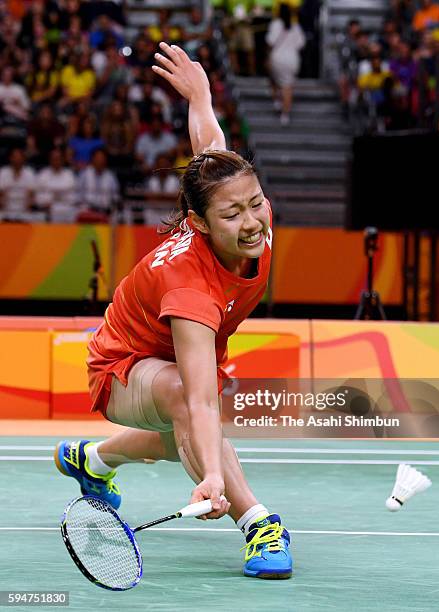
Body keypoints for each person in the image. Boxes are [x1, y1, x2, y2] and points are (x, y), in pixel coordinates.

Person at [54, 41, 292, 580]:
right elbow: (202, 399)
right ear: (202, 224)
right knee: (187, 405)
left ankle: (90, 461)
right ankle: (259, 522)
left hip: (161, 367)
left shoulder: (244, 210)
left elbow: (212, 148)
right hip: (120, 367)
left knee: (173, 434)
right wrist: (212, 477)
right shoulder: (190, 288)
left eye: (255, 202)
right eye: (233, 213)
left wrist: (202, 95)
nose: (252, 221)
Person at [266, 3, 305, 125]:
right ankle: (285, 115)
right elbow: (301, 44)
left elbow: (270, 41)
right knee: (288, 86)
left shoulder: (275, 24)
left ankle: (277, 101)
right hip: (292, 59)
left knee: (273, 78)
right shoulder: (296, 26)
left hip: (277, 58)